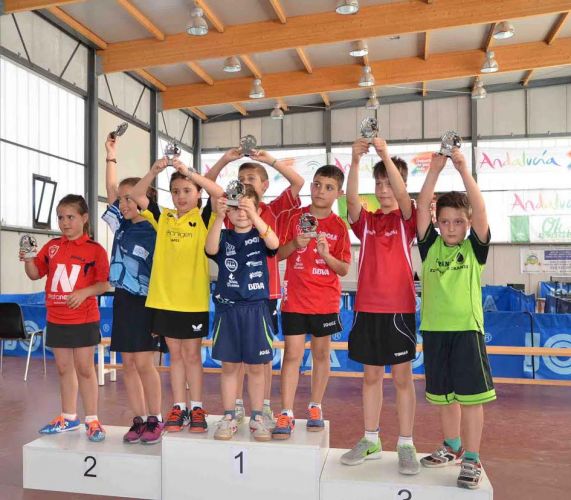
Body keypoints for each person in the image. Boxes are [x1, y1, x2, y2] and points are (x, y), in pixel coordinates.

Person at [205, 148, 304, 424]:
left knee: (261, 358)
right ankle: (235, 407)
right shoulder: (231, 212)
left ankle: (263, 408)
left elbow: (298, 183)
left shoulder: (273, 209)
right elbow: (208, 186)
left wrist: (268, 160)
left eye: (251, 177)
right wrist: (225, 159)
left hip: (265, 295)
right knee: (233, 359)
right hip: (234, 297)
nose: (245, 182)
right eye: (241, 177)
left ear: (264, 184)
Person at [416, 148, 496, 489]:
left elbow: (480, 209)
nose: (451, 227)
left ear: (467, 224)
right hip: (435, 331)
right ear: (437, 223)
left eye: (458, 221)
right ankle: (452, 446)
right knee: (445, 397)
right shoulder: (429, 247)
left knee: (471, 398)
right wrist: (434, 170)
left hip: (466, 331)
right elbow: (421, 206)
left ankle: (473, 458)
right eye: (445, 221)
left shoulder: (473, 249)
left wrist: (463, 168)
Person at [339, 138, 420, 474]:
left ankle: (406, 443)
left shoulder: (407, 218)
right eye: (380, 183)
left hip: (399, 310)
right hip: (367, 310)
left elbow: (403, 198)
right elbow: (352, 201)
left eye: (390, 182)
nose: (385, 189)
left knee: (402, 378)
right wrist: (356, 161)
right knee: (370, 377)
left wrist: (385, 155)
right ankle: (371, 439)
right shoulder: (368, 222)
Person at [131, 158, 224, 433]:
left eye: (187, 190)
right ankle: (179, 407)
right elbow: (137, 195)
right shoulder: (164, 217)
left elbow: (219, 194)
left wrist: (190, 172)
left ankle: (196, 406)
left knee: (192, 355)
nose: (181, 196)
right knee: (175, 355)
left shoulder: (204, 217)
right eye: (176, 191)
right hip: (164, 300)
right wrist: (154, 171)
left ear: (197, 194)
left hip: (193, 301)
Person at [21, 195, 109, 442]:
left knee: (84, 368)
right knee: (63, 368)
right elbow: (35, 273)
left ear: (84, 218)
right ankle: (69, 417)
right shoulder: (52, 247)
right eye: (60, 217)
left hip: (83, 318)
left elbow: (103, 284)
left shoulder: (95, 250)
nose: (65, 222)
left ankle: (92, 419)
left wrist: (84, 292)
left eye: (70, 217)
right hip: (57, 317)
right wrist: (28, 259)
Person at [272, 165, 351, 440]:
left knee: (320, 355)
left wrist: (326, 255)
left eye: (329, 187)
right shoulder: (295, 217)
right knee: (292, 355)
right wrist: (295, 243)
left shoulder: (340, 226)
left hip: (325, 302)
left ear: (339, 193)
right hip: (294, 300)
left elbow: (343, 269)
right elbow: (277, 254)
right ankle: (286, 411)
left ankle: (315, 406)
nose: (321, 191)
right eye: (317, 184)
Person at [102, 134, 163, 444]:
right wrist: (111, 154)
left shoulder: (156, 225)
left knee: (144, 363)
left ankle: (156, 418)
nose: (123, 203)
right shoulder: (122, 225)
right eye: (122, 199)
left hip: (148, 302)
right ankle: (138, 419)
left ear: (144, 198)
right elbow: (112, 191)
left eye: (130, 198)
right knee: (128, 363)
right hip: (123, 300)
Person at [205, 187, 279, 441]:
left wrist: (254, 215)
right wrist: (218, 216)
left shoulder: (261, 236)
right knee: (229, 367)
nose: (241, 213)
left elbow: (275, 243)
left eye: (247, 207)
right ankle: (228, 415)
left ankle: (258, 416)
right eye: (235, 208)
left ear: (257, 210)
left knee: (257, 368)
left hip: (256, 310)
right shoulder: (223, 235)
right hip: (228, 310)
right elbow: (210, 248)